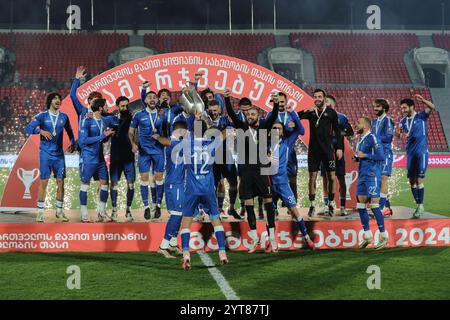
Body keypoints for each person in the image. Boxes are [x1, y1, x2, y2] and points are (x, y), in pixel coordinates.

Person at [225, 89, 279, 253]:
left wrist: (276, 102)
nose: (249, 117)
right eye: (248, 115)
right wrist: (227, 98)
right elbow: (231, 114)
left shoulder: (264, 126)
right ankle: (255, 237)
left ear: (258, 115)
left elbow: (274, 115)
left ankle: (272, 237)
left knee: (268, 201)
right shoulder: (241, 127)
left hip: (262, 171)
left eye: (252, 114)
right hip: (246, 172)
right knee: (248, 203)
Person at [179, 119, 228, 270]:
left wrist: (194, 119)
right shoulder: (211, 144)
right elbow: (223, 134)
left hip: (192, 190)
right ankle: (222, 252)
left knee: (186, 222)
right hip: (207, 189)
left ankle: (186, 254)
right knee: (215, 220)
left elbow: (185, 131)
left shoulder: (187, 145)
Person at [25, 92, 75, 223]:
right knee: (44, 182)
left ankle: (59, 211)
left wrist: (73, 143)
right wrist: (40, 131)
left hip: (59, 155)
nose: (58, 100)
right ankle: (40, 212)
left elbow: (70, 131)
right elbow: (28, 128)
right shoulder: (42, 116)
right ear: (50, 101)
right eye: (55, 98)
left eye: (59, 99)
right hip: (45, 154)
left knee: (61, 183)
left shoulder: (64, 116)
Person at [269, 110, 315, 250]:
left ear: (283, 132)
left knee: (294, 211)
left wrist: (293, 114)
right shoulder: (265, 144)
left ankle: (307, 238)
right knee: (270, 214)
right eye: (274, 128)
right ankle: (272, 243)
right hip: (270, 184)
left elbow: (301, 130)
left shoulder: (288, 142)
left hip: (283, 183)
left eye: (279, 129)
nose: (277, 130)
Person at [297, 89, 343, 217]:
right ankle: (312, 205)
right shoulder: (311, 112)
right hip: (313, 150)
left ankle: (330, 204)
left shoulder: (331, 113)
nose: (317, 99)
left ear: (324, 98)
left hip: (328, 150)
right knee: (312, 177)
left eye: (319, 97)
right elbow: (296, 116)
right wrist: (306, 111)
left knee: (331, 178)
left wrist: (339, 147)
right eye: (315, 97)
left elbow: (338, 131)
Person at [129, 81, 166, 220]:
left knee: (159, 179)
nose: (152, 99)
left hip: (158, 151)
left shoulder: (162, 114)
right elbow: (131, 131)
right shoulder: (139, 115)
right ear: (145, 100)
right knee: (144, 179)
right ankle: (146, 207)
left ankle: (157, 205)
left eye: (154, 97)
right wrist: (133, 144)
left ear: (157, 100)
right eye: (149, 97)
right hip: (144, 152)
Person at [396, 95, 436, 218]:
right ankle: (418, 204)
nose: (403, 110)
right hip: (410, 154)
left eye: (404, 108)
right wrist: (398, 134)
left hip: (421, 152)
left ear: (411, 107)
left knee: (419, 179)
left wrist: (423, 100)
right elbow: (399, 135)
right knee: (412, 181)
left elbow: (432, 107)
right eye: (401, 108)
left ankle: (421, 205)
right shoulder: (402, 121)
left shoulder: (421, 116)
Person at [153, 119, 187, 258]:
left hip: (177, 183)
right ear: (180, 131)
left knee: (179, 214)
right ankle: (163, 246)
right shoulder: (176, 143)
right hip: (175, 184)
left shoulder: (178, 142)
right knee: (177, 214)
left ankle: (173, 243)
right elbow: (166, 141)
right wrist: (158, 137)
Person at [78, 99, 116, 223]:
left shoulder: (105, 120)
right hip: (88, 159)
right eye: (105, 106)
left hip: (100, 159)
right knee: (85, 185)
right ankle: (84, 213)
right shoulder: (87, 120)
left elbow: (118, 122)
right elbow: (83, 140)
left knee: (105, 183)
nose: (107, 108)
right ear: (100, 108)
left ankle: (101, 211)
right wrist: (103, 136)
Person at [353, 117, 388, 250]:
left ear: (366, 126)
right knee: (360, 205)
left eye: (359, 123)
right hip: (362, 175)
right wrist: (358, 158)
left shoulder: (372, 137)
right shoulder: (360, 138)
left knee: (374, 205)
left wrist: (365, 156)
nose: (357, 124)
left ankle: (384, 236)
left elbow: (381, 156)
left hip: (372, 175)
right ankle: (367, 236)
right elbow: (363, 155)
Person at [206, 100, 241, 220]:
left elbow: (232, 132)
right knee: (217, 184)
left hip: (227, 156)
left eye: (215, 110)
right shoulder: (204, 120)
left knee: (234, 183)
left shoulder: (225, 120)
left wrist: (226, 134)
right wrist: (223, 134)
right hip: (213, 157)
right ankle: (218, 208)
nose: (213, 112)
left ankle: (231, 207)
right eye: (211, 110)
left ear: (220, 110)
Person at [320, 94, 354, 216]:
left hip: (338, 153)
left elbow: (350, 131)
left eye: (328, 101)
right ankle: (326, 205)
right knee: (325, 179)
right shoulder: (321, 116)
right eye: (325, 102)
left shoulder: (342, 117)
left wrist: (337, 133)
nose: (326, 103)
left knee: (341, 178)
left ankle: (343, 206)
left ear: (334, 104)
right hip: (325, 153)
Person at [108, 96, 135, 222]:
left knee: (131, 183)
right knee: (114, 184)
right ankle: (114, 210)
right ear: (117, 106)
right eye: (122, 106)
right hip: (115, 156)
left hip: (129, 156)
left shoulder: (132, 117)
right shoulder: (112, 118)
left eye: (126, 105)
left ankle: (128, 210)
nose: (125, 108)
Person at [371, 98, 394, 217]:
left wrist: (374, 139)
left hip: (385, 153)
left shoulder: (387, 120)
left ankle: (380, 208)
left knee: (384, 178)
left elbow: (389, 137)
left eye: (378, 106)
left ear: (384, 108)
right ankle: (387, 207)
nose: (375, 108)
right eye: (374, 106)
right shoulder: (374, 121)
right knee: (378, 181)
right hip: (376, 153)